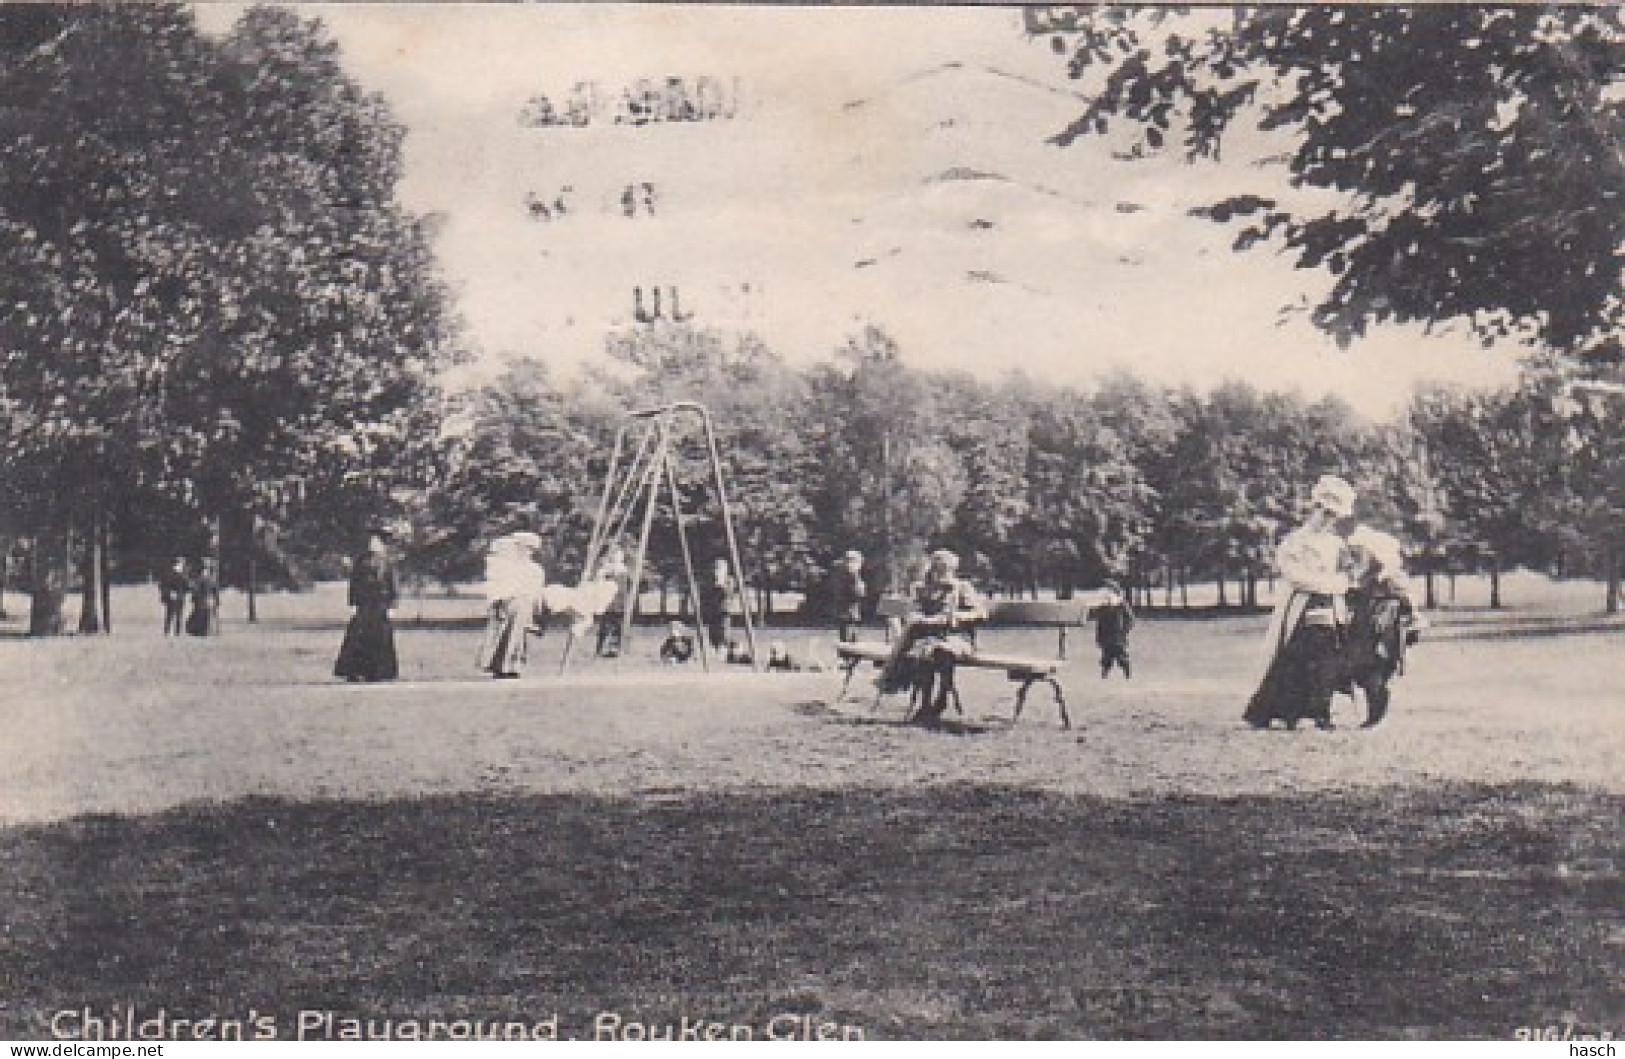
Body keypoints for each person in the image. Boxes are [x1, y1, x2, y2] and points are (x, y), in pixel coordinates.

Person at [1244, 474, 1358, 730]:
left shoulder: (1336, 544)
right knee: (1293, 659)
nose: (1328, 520)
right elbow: (1292, 574)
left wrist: (1337, 584)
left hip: (1330, 607)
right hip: (1300, 606)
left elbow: (1346, 574)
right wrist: (1324, 583)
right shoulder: (1294, 542)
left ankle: (1322, 711)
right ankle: (1283, 712)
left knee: (1327, 659)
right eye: (1325, 513)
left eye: (1333, 516)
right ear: (1315, 508)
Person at [878, 549, 987, 721]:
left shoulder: (962, 588)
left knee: (941, 651)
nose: (940, 573)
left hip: (957, 637)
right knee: (923, 653)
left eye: (944, 569)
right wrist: (917, 618)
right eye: (937, 569)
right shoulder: (923, 589)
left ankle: (941, 698)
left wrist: (958, 616)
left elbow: (980, 613)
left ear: (952, 570)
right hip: (929, 636)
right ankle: (925, 703)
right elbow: (906, 609)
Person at [1342, 526, 1425, 728]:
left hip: (1384, 628)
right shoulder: (1367, 576)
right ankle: (1374, 712)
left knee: (1377, 669)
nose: (1361, 556)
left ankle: (1376, 714)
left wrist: (1412, 620)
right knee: (1362, 668)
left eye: (1365, 552)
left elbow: (1408, 599)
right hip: (1365, 626)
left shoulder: (1390, 577)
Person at [477, 532, 547, 679]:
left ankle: (513, 666)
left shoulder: (535, 569)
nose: (526, 552)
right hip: (508, 603)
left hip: (524, 604)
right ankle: (499, 666)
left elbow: (536, 592)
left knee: (518, 636)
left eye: (530, 549)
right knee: (503, 634)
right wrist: (497, 602)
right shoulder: (505, 566)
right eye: (524, 548)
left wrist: (536, 613)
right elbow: (497, 587)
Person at [333, 528, 400, 682]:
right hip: (364, 604)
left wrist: (393, 603)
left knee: (380, 638)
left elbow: (393, 583)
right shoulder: (361, 561)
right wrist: (353, 601)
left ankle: (378, 672)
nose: (372, 545)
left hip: (381, 604)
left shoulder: (387, 562)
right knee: (358, 637)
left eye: (376, 542)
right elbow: (354, 582)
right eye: (371, 542)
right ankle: (353, 671)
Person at [593, 542, 631, 658]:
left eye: (620, 555)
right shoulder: (606, 569)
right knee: (604, 627)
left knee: (618, 627)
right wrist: (603, 573)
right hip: (608, 601)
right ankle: (600, 649)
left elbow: (626, 586)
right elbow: (598, 581)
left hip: (620, 602)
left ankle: (615, 649)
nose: (618, 557)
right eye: (615, 555)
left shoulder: (623, 569)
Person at [1093, 579, 1135, 679]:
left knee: (1121, 655)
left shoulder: (1121, 604)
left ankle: (1127, 673)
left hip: (1118, 636)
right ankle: (1104, 674)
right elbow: (1099, 622)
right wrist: (1099, 637)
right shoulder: (1102, 606)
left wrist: (1124, 630)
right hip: (1106, 635)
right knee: (1106, 657)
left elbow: (1130, 619)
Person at [830, 549, 866, 643]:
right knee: (849, 631)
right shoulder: (852, 574)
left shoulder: (841, 572)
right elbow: (859, 593)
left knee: (847, 632)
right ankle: (849, 649)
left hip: (846, 609)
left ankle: (848, 650)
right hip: (849, 609)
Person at [698, 557, 732, 654]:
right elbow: (704, 594)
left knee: (723, 630)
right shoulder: (709, 581)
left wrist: (721, 585)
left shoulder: (729, 580)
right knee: (712, 631)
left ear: (726, 570)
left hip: (723, 611)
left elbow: (728, 593)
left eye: (720, 568)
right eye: (716, 568)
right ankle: (716, 647)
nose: (717, 571)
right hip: (712, 611)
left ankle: (724, 648)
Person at [185, 557, 221, 637]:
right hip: (201, 598)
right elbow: (197, 586)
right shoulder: (201, 577)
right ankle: (200, 631)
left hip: (206, 597)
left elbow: (214, 588)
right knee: (200, 614)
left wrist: (215, 598)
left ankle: (206, 631)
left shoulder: (211, 577)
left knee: (206, 614)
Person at [158, 557, 190, 636]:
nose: (183, 565)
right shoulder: (169, 573)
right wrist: (169, 593)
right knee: (169, 615)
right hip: (171, 598)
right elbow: (162, 585)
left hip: (180, 597)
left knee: (179, 616)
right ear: (178, 564)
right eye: (182, 564)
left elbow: (186, 587)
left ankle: (177, 633)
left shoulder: (183, 575)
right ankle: (167, 631)